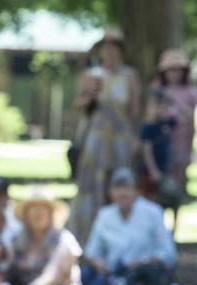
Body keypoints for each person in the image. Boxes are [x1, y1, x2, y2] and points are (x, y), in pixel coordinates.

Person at [68, 28, 140, 245]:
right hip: (97, 137)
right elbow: (78, 105)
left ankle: (119, 236)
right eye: (106, 47)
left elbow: (134, 110)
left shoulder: (130, 76)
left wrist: (135, 138)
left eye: (114, 47)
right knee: (93, 184)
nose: (109, 51)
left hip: (120, 137)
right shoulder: (92, 75)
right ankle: (89, 237)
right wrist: (90, 94)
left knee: (118, 180)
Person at [82, 167, 177, 285]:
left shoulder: (153, 213)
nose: (122, 193)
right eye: (117, 188)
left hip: (141, 274)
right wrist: (98, 263)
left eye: (126, 188)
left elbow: (168, 253)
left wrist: (143, 262)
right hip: (111, 273)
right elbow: (92, 251)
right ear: (110, 192)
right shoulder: (105, 215)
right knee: (85, 275)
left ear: (137, 191)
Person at [7, 189, 85, 285]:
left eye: (43, 209)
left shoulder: (64, 240)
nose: (38, 213)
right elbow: (6, 271)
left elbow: (52, 276)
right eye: (34, 209)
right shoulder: (17, 241)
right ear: (26, 214)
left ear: (51, 214)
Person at [152, 49, 197, 231]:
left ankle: (175, 227)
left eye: (178, 69)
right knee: (159, 187)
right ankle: (159, 226)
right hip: (161, 145)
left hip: (180, 145)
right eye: (171, 70)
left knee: (177, 187)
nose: (175, 73)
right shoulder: (158, 90)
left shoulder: (190, 93)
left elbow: (191, 120)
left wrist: (190, 151)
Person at [139, 88, 178, 208]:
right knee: (150, 199)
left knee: (166, 199)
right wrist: (153, 170)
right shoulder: (148, 128)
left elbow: (187, 115)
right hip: (150, 171)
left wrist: (173, 101)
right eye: (154, 105)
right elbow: (147, 151)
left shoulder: (167, 123)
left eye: (162, 106)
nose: (158, 109)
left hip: (164, 169)